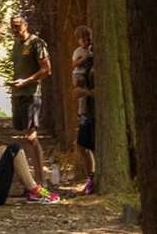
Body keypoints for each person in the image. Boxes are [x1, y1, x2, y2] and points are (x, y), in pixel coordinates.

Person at [10, 13, 51, 185]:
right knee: (24, 137)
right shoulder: (16, 45)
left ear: (26, 25)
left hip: (31, 94)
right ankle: (30, 182)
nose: (15, 29)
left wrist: (26, 81)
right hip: (18, 94)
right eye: (12, 25)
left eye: (18, 25)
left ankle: (40, 181)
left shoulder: (37, 43)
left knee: (31, 137)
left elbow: (47, 69)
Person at [71, 25, 95, 194]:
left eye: (88, 39)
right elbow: (74, 65)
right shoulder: (79, 52)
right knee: (82, 145)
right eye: (83, 39)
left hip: (91, 106)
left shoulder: (94, 54)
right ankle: (91, 177)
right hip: (84, 106)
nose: (86, 42)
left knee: (87, 144)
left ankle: (92, 178)